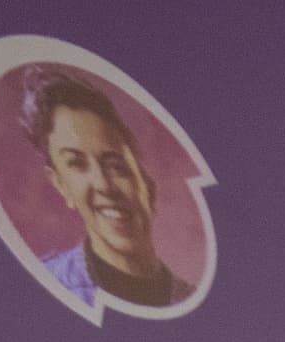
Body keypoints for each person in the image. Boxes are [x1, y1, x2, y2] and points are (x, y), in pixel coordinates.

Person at [19, 67, 192, 313]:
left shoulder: (198, 307)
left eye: (115, 165)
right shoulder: (43, 288)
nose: (103, 184)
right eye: (77, 164)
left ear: (143, 177)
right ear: (60, 184)